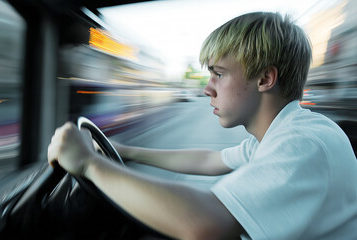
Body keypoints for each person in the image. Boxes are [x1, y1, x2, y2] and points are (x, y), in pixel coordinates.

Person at [48, 12, 357, 239]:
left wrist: (89, 164)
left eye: (219, 74)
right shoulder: (275, 137)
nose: (207, 89)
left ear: (264, 79)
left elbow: (204, 225)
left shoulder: (302, 143)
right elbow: (208, 160)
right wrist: (125, 150)